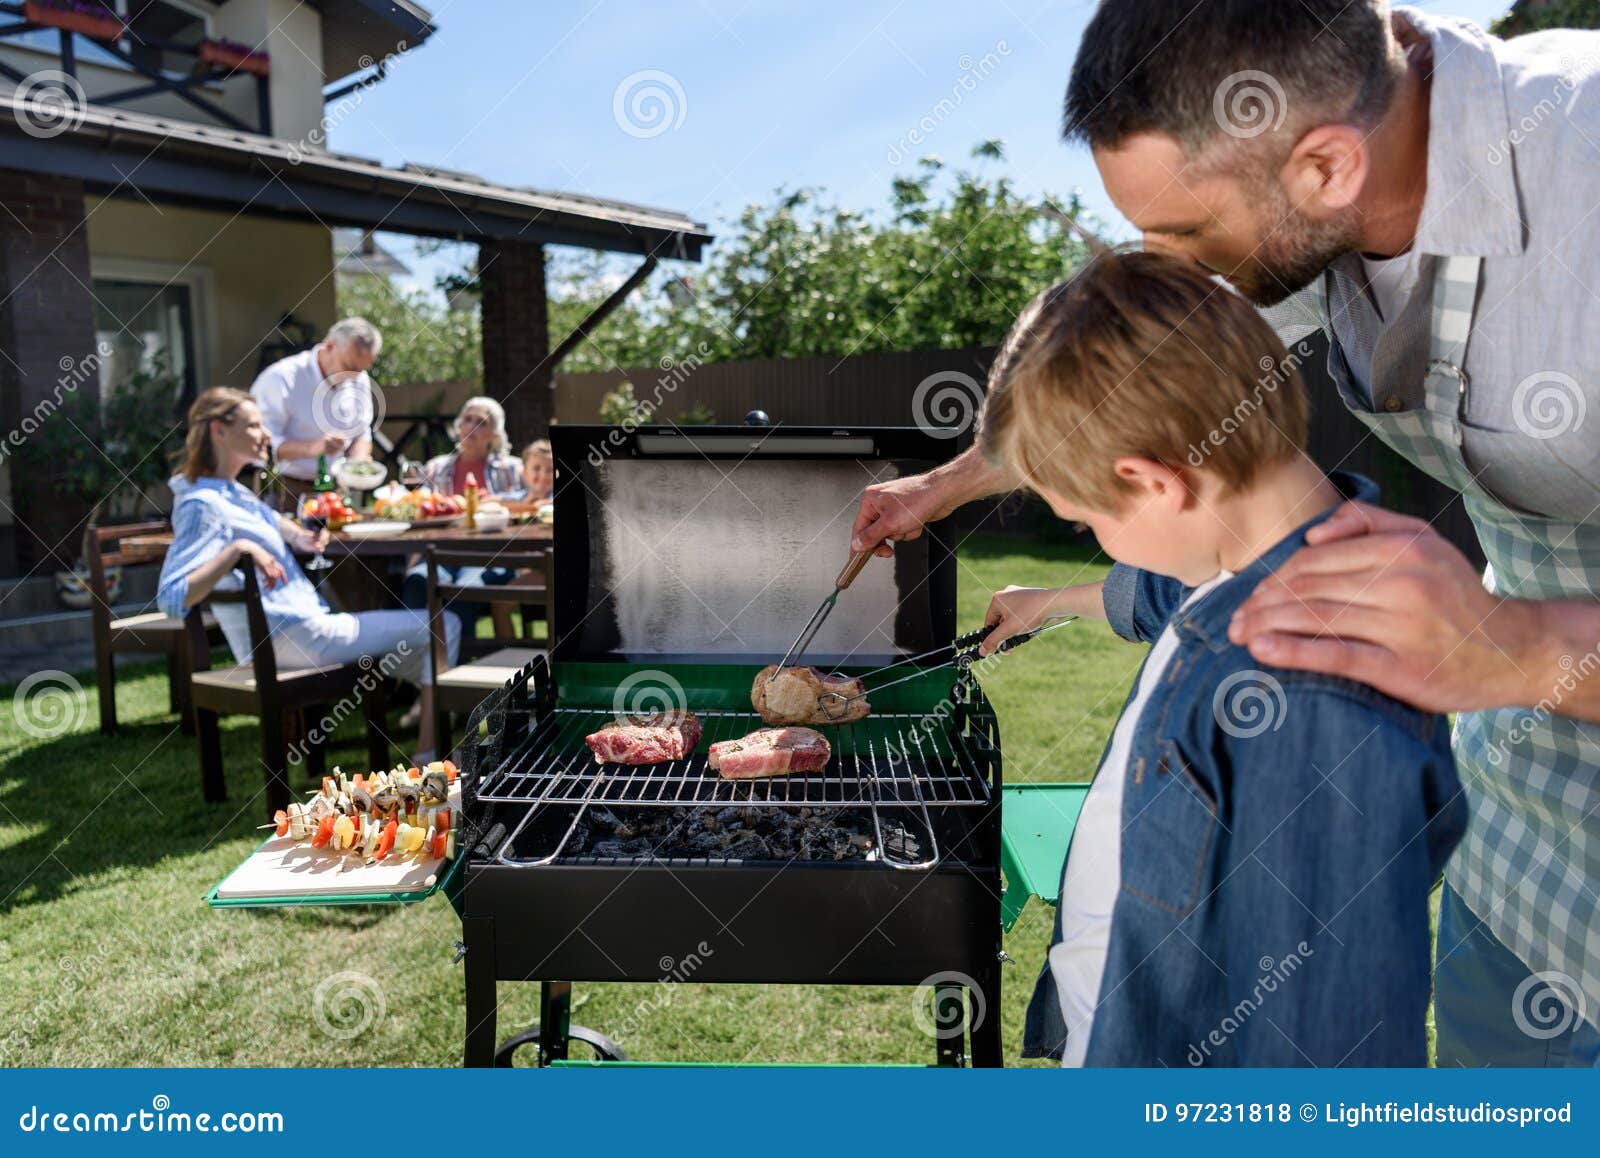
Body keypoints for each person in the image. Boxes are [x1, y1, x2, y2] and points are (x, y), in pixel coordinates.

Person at [852, 1, 1600, 1066]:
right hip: (1524, 856)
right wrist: (960, 479)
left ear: (1328, 167)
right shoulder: (1321, 179)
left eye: (1185, 238)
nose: (1165, 269)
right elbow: (1152, 368)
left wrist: (1518, 647)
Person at [979, 250, 1465, 1066]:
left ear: (1153, 482)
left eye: (1083, 519)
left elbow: (1328, 1055)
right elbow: (1165, 598)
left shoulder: (1311, 686)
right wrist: (1049, 602)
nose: (1096, 542)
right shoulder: (1246, 568)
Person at [157, 387, 461, 763]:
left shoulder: (234, 495)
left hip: (292, 632)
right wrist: (238, 551)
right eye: (254, 426)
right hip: (295, 635)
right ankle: (430, 755)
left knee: (427, 648)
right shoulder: (202, 505)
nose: (266, 436)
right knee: (442, 626)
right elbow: (172, 598)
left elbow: (289, 530)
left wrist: (304, 533)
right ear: (219, 431)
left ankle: (431, 731)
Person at [398, 398, 527, 660]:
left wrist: (498, 502)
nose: (471, 426)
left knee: (463, 588)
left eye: (481, 423)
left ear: (494, 434)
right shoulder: (437, 467)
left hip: (491, 555)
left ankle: (461, 669)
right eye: (466, 419)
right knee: (417, 581)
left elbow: (533, 500)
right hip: (442, 553)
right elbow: (418, 506)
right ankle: (416, 667)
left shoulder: (511, 468)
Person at [250, 318, 381, 497]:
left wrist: (357, 462)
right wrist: (315, 447)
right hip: (286, 489)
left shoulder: (359, 377)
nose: (353, 377)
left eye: (360, 370)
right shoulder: (281, 378)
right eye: (348, 367)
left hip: (338, 490)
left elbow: (362, 433)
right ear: (329, 346)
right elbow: (261, 445)